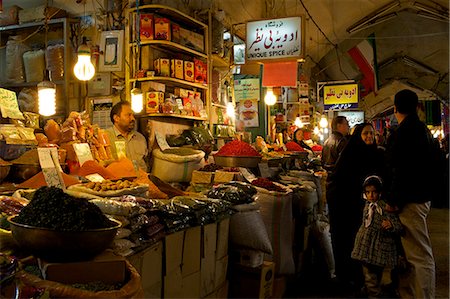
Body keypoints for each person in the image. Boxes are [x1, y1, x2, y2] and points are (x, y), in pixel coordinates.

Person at [384, 89, 438, 298]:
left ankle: (424, 295)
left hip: (411, 201)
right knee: (413, 253)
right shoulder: (421, 130)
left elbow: (402, 170)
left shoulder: (406, 133)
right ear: (416, 107)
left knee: (419, 255)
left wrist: (394, 200)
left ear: (395, 108)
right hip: (420, 196)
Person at [327, 122, 385, 293]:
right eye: (365, 133)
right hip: (348, 209)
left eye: (371, 134)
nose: (369, 137)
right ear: (359, 135)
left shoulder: (376, 154)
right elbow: (339, 181)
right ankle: (349, 278)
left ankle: (367, 281)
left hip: (369, 209)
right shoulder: (350, 154)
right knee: (349, 242)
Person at [351, 175, 403, 298]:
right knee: (369, 273)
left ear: (380, 192)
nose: (371, 195)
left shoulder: (384, 207)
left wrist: (390, 225)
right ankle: (371, 291)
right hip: (365, 244)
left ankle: (373, 293)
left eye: (374, 192)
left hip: (378, 246)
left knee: (374, 272)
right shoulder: (367, 205)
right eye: (368, 192)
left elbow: (397, 224)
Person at [106, 101, 148, 171]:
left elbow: (147, 163)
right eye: (128, 115)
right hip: (117, 181)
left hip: (142, 180)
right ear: (116, 118)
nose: (133, 118)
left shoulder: (140, 138)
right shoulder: (105, 137)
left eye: (133, 115)